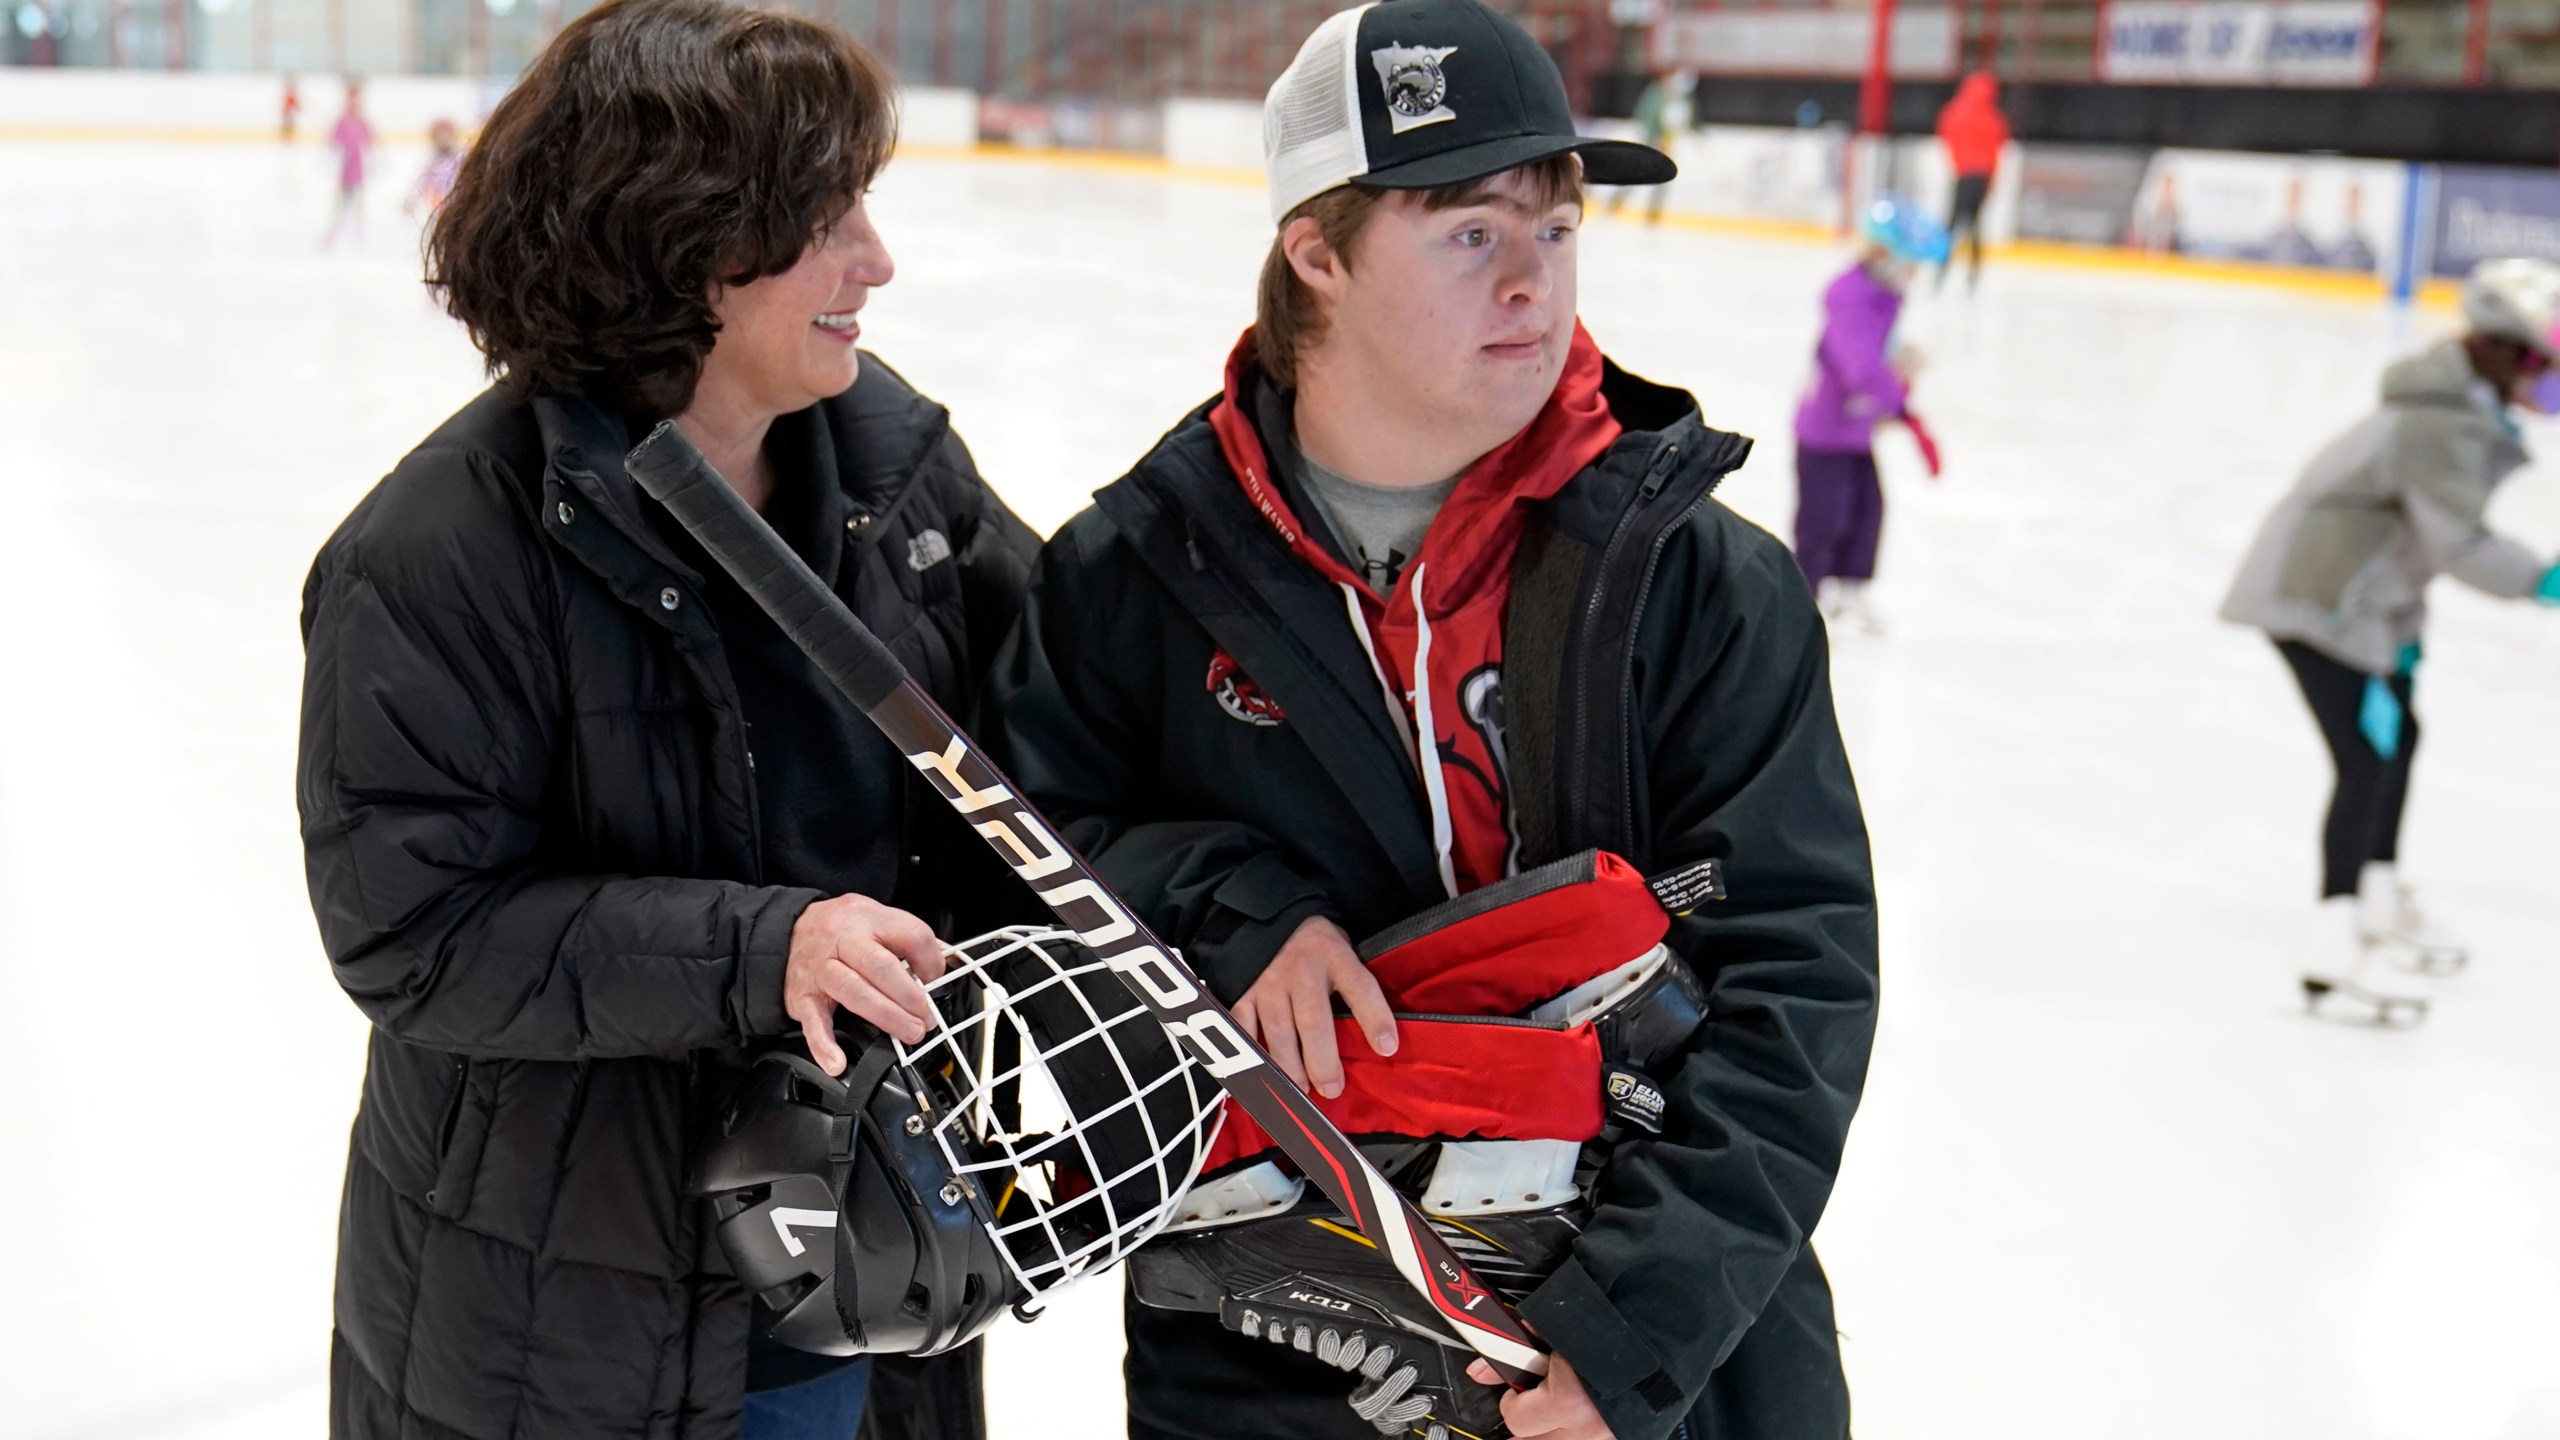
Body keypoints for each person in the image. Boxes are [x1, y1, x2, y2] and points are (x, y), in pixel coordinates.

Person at [986, 4, 1880, 1438]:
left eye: (1557, 228)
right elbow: (1022, 873)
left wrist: (1626, 1331)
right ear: (1317, 254)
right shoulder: (1134, 583)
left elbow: (1794, 983)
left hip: (1659, 1367)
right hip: (1275, 1371)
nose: (1534, 284)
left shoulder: (1700, 583)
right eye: (1470, 233)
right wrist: (1228, 907)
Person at [295, 1, 1037, 1435]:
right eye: (827, 219)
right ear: (686, 241)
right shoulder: (438, 552)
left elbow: (1066, 724)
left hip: (873, 1258)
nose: (876, 262)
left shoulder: (895, 469)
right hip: (569, 1317)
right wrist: (769, 951)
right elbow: (417, 931)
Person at [2220, 256, 2560, 1027]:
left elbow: (2402, 542)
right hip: (2320, 600)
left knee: (2399, 737)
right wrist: (2545, 580)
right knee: (2367, 759)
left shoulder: (2460, 407)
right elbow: (2457, 544)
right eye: (2548, 365)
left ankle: (2374, 900)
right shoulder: (2443, 423)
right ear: (2510, 354)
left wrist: (2402, 639)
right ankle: (2329, 957)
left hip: (2363, 601)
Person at [1792, 198, 1945, 635]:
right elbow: (1858, 368)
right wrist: (1897, 396)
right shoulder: (1853, 300)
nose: (1914, 276)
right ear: (1883, 255)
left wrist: (1898, 361)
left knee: (1867, 510)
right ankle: (1806, 600)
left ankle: (1849, 590)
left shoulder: (1884, 296)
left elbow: (1876, 353)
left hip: (1855, 431)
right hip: (1825, 433)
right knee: (1824, 519)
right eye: (1910, 264)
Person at [1931, 70, 2008, 290]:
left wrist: (1958, 162)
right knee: (1974, 226)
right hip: (1980, 176)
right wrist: (1991, 181)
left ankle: (1941, 271)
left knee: (1952, 224)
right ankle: (1973, 275)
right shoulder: (1992, 118)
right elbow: (1995, 152)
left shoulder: (1954, 111)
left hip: (1963, 174)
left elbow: (1946, 135)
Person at [1606, 68, 1690, 224]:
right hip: (1651, 142)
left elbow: (1683, 120)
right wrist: (1654, 137)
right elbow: (1645, 116)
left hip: (1667, 144)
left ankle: (1653, 214)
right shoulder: (1655, 94)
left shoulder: (1680, 98)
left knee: (1664, 179)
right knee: (1636, 174)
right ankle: (1613, 204)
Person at [321, 76, 375, 248]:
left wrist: (372, 161)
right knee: (342, 200)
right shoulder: (341, 123)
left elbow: (370, 143)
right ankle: (337, 228)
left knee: (358, 199)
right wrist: (335, 160)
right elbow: (332, 144)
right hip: (345, 171)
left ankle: (357, 230)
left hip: (357, 169)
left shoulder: (362, 123)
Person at [404, 117, 464, 218]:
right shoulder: (432, 162)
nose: (444, 141)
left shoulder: (461, 158)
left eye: (447, 137)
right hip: (440, 207)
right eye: (440, 138)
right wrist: (412, 201)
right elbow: (422, 182)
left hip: (461, 203)